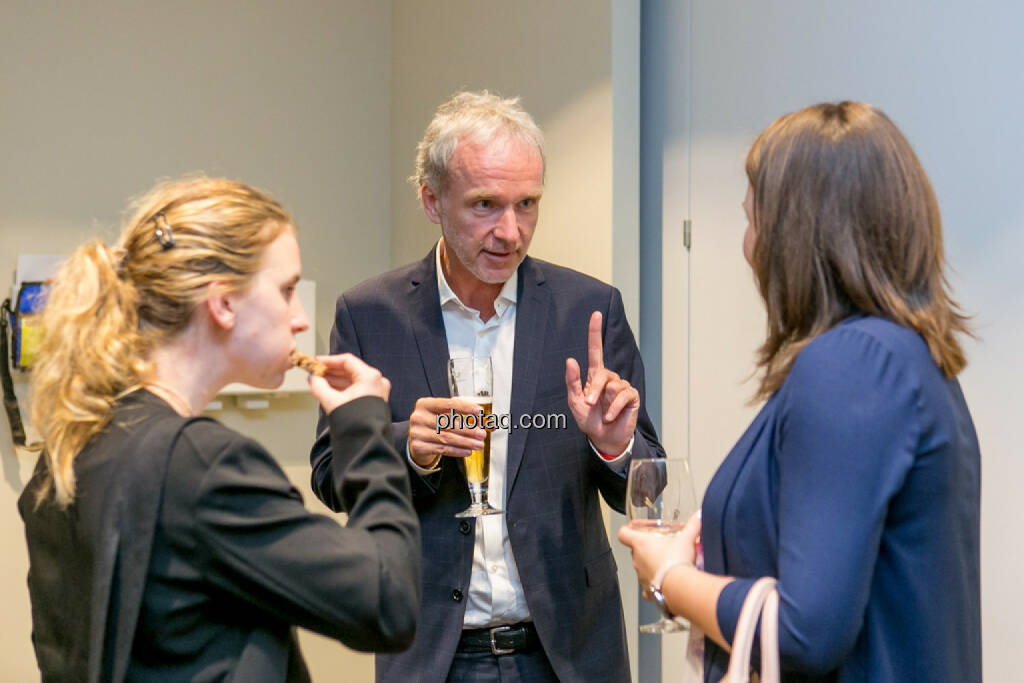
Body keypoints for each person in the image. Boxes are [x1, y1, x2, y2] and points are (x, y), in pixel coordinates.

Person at [618, 101, 981, 682]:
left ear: (796, 233)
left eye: (752, 219)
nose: (747, 245)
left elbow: (804, 633)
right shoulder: (903, 356)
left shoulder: (851, 364)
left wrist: (670, 578)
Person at [309, 91, 665, 682]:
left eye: (527, 204)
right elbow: (329, 476)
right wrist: (408, 448)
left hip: (567, 654)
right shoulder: (369, 315)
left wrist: (615, 448)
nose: (510, 231)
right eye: (484, 205)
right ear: (431, 200)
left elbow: (649, 487)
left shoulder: (590, 310)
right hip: (433, 656)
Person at [18, 177, 421, 682]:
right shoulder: (204, 465)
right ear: (223, 303)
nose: (300, 319)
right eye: (286, 290)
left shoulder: (74, 444)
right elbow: (388, 606)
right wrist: (365, 431)